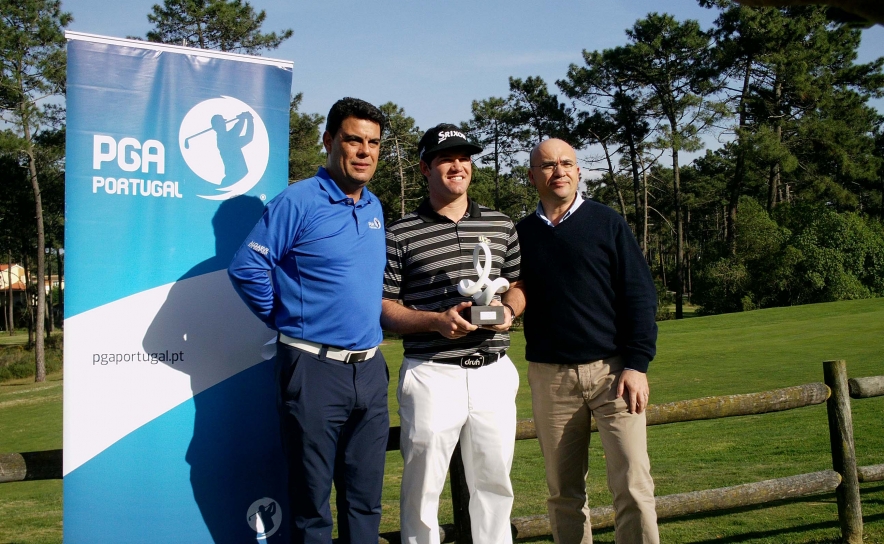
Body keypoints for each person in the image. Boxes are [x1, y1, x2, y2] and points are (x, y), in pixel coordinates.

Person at [228, 97, 388, 544]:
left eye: (373, 143)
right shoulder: (298, 200)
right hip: (314, 370)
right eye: (353, 140)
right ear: (329, 141)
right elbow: (247, 267)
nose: (364, 151)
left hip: (370, 370)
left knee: (366, 502)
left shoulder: (374, 207)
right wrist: (286, 319)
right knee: (312, 510)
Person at [502, 138, 660, 544]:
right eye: (549, 165)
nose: (559, 171)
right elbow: (514, 290)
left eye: (567, 163)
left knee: (633, 488)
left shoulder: (607, 222)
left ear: (578, 171)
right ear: (533, 175)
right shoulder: (522, 234)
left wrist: (637, 365)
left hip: (614, 375)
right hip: (551, 379)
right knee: (564, 495)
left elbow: (640, 295)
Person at [381, 124, 521, 544]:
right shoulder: (400, 232)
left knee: (495, 485)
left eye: (464, 157)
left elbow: (517, 283)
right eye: (446, 158)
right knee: (423, 488)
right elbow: (384, 308)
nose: (457, 165)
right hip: (431, 372)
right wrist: (436, 321)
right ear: (425, 167)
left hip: (493, 371)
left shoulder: (501, 224)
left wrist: (510, 309)